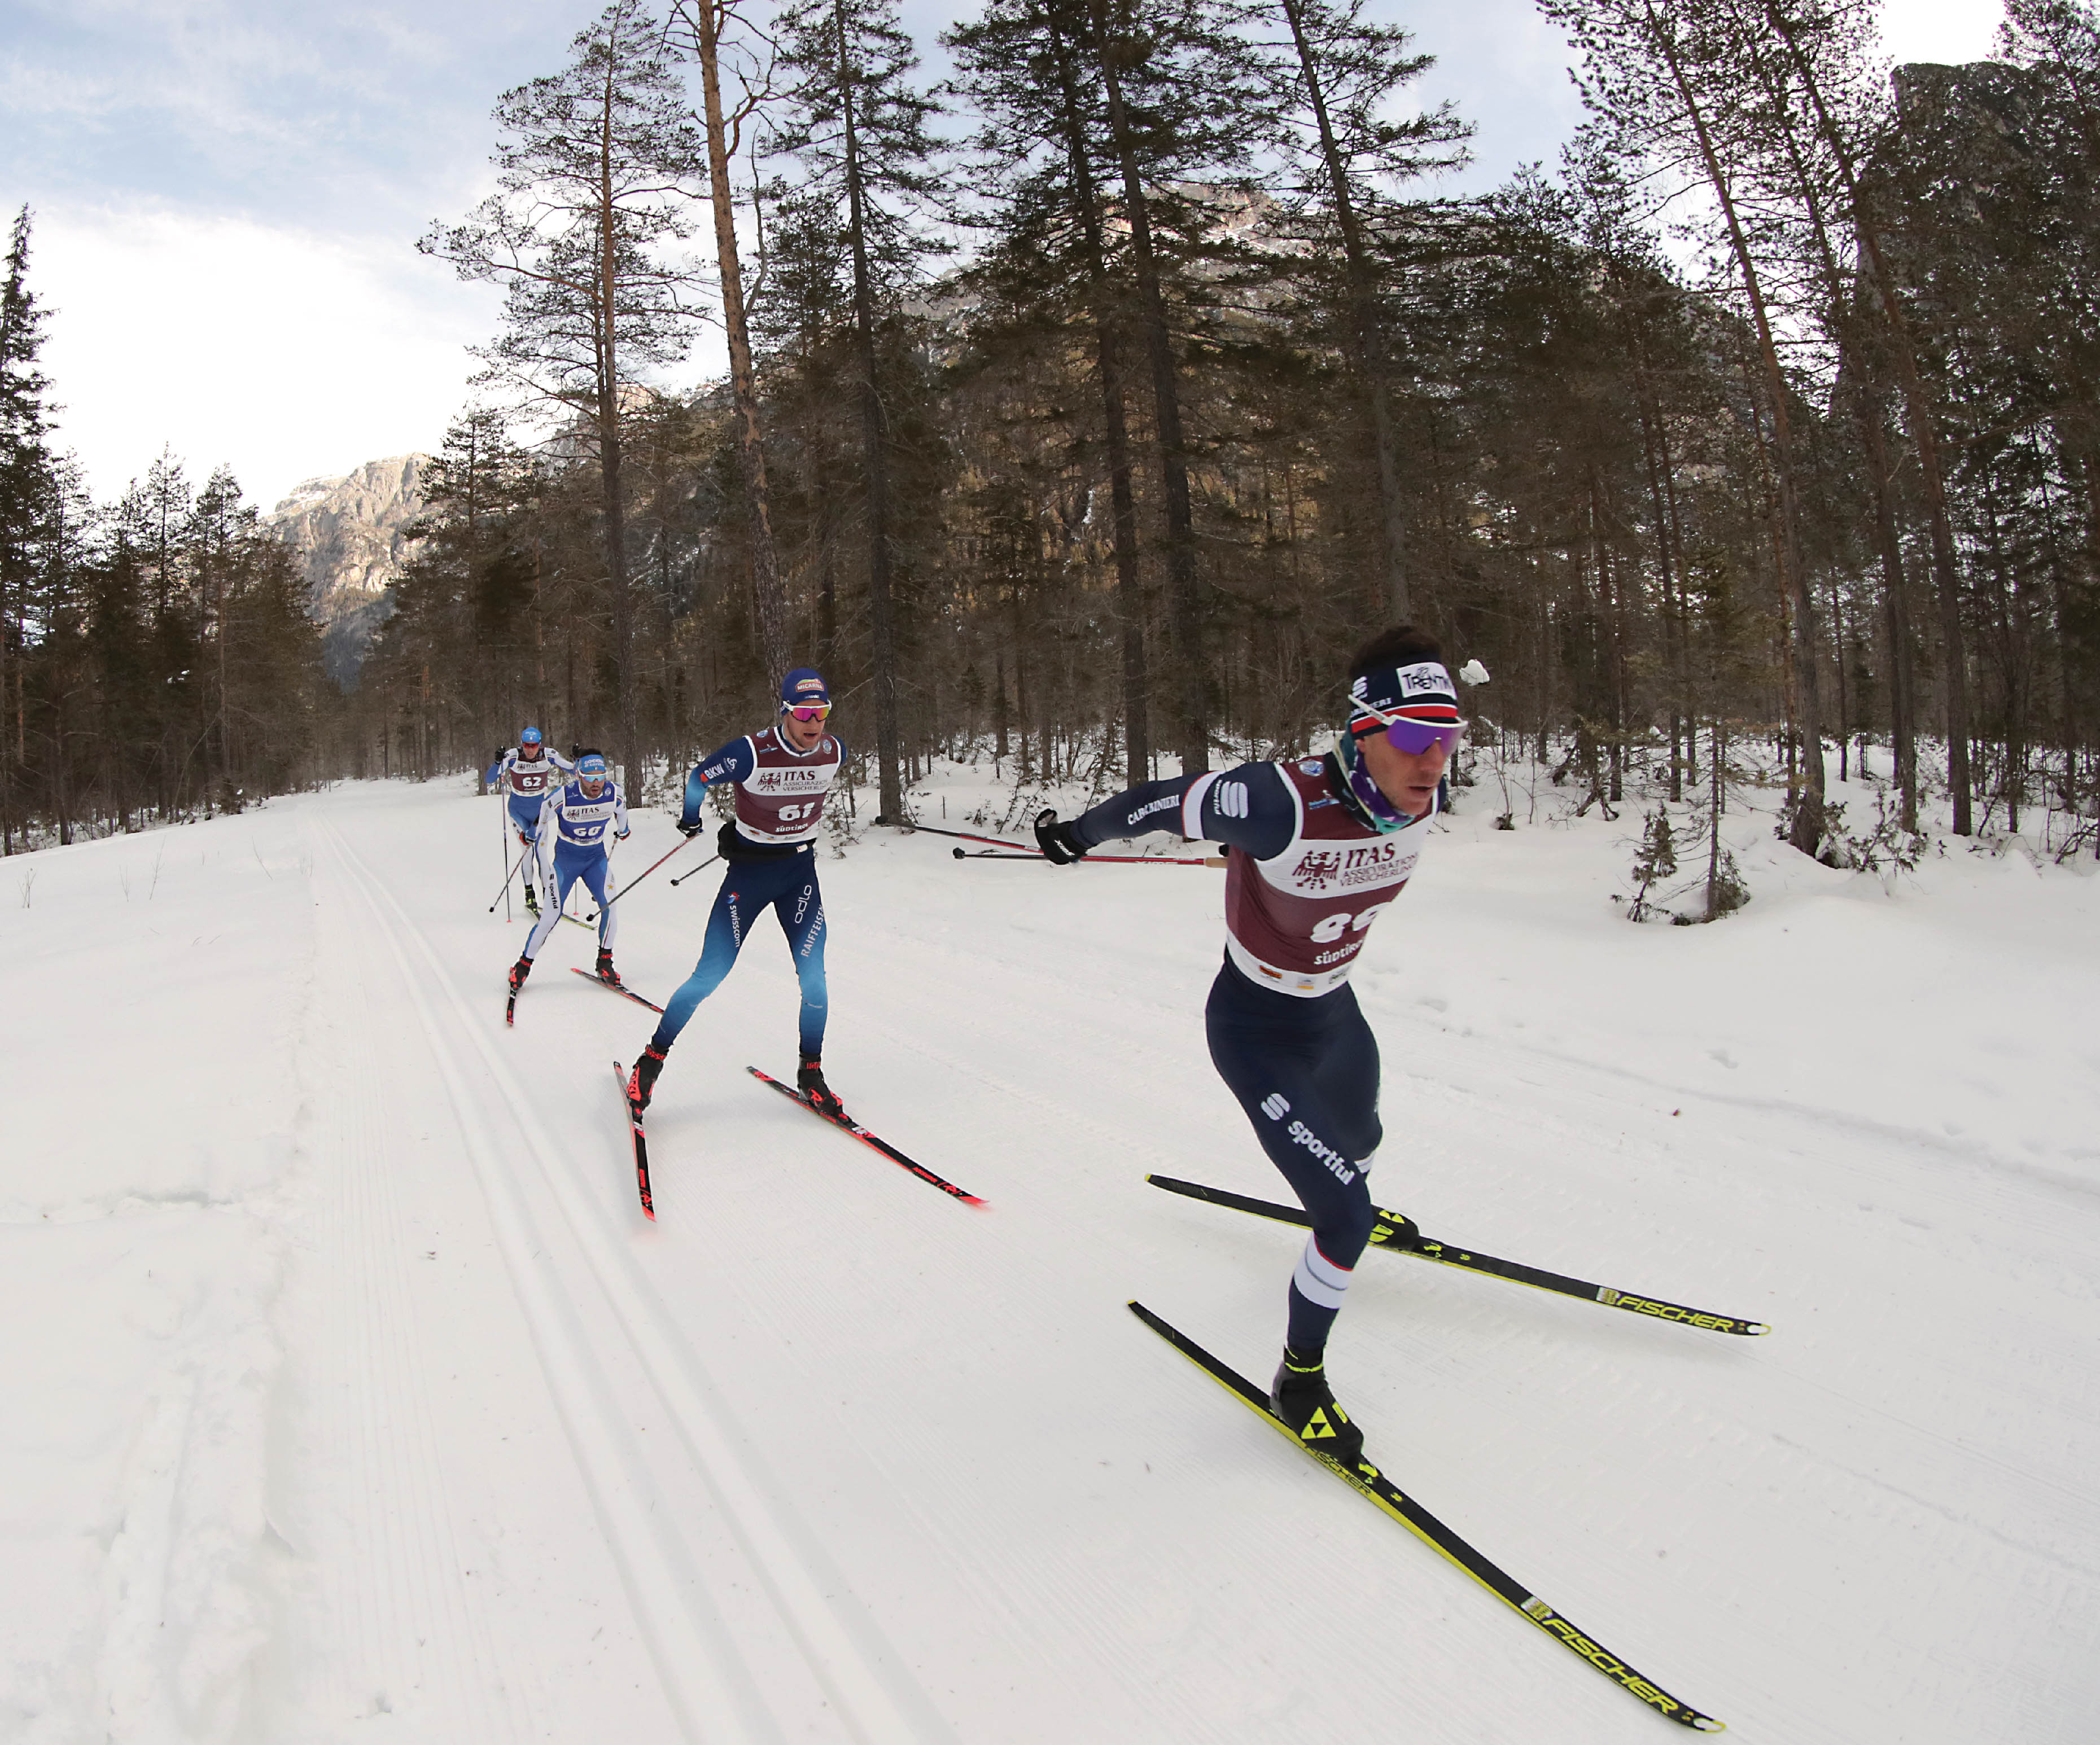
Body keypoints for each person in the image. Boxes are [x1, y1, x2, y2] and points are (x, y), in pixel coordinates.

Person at [1033, 626, 1464, 1463]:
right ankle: (1300, 1379)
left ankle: (1341, 1216)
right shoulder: (1279, 800)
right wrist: (1078, 835)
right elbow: (1158, 802)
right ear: (1364, 729)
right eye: (1414, 737)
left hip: (1336, 1017)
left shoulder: (1420, 793)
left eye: (1446, 739)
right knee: (1346, 1210)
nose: (1433, 761)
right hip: (1256, 1029)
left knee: (1363, 1144)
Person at [627, 668, 846, 1119]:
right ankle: (650, 1061)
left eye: (822, 712)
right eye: (804, 712)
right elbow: (697, 779)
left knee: (816, 981)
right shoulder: (752, 751)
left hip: (799, 875)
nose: (814, 722)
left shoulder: (833, 751)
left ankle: (812, 1072)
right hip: (748, 877)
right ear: (785, 712)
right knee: (708, 976)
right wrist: (692, 820)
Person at [507, 750, 629, 998]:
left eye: (600, 777)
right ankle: (523, 966)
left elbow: (622, 813)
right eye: (589, 778)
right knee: (551, 915)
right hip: (566, 862)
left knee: (610, 906)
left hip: (596, 859)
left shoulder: (613, 793)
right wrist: (530, 835)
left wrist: (624, 830)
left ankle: (605, 963)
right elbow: (543, 816)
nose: (596, 783)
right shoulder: (563, 797)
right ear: (579, 776)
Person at [486, 727, 575, 917]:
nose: (530, 749)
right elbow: (489, 779)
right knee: (527, 853)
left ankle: (548, 896)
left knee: (542, 854)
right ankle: (529, 894)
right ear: (522, 743)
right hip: (518, 811)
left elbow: (574, 771)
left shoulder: (549, 755)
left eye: (533, 746)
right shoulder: (513, 756)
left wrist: (578, 760)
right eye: (527, 745)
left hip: (540, 812)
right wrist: (497, 762)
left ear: (539, 744)